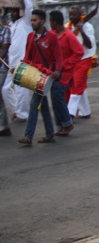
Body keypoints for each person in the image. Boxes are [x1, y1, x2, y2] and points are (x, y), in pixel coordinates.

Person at [18, 10, 63, 146]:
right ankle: (50, 134)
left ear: (42, 21)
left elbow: (58, 57)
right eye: (31, 20)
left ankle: (28, 136)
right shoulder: (30, 37)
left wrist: (57, 71)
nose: (32, 23)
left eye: (35, 20)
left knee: (34, 104)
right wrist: (19, 69)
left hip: (45, 78)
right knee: (42, 106)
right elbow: (27, 58)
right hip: (33, 76)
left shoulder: (51, 37)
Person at [49, 11, 83, 136]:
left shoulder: (68, 35)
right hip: (53, 71)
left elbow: (79, 52)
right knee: (55, 98)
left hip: (65, 74)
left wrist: (65, 64)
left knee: (57, 96)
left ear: (54, 22)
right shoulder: (52, 34)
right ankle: (61, 125)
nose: (49, 23)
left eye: (50, 21)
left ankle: (67, 124)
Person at [3, 0, 33, 123]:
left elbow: (29, 6)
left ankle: (23, 114)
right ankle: (17, 110)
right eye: (11, 11)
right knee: (5, 89)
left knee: (21, 89)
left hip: (23, 62)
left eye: (15, 11)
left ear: (20, 12)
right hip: (10, 63)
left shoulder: (25, 22)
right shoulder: (11, 24)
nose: (12, 13)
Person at [66, 6, 96, 119]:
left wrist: (81, 30)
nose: (71, 17)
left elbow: (89, 45)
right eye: (70, 14)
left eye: (74, 14)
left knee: (77, 84)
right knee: (78, 84)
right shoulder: (67, 26)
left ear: (80, 15)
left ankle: (70, 113)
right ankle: (85, 111)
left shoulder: (88, 27)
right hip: (73, 59)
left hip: (85, 58)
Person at [0, 19, 11, 136]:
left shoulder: (5, 29)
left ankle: (4, 126)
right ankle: (4, 126)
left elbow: (4, 49)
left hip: (2, 66)